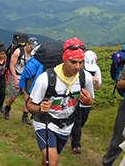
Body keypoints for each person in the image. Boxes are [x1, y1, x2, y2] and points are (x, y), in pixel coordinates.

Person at [27, 37, 94, 166]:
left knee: (48, 159)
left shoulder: (85, 77)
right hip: (45, 123)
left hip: (66, 126)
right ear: (64, 59)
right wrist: (40, 109)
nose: (77, 66)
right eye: (73, 62)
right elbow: (29, 105)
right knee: (52, 162)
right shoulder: (45, 79)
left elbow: (89, 100)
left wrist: (89, 101)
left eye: (80, 62)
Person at [70, 50, 102, 154]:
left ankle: (71, 132)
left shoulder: (96, 69)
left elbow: (98, 88)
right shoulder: (77, 69)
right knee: (78, 121)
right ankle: (76, 145)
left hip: (87, 100)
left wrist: (96, 81)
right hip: (77, 99)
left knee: (82, 121)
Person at [3, 37, 38, 125]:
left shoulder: (33, 54)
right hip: (16, 74)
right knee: (14, 96)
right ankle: (7, 108)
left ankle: (25, 116)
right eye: (31, 46)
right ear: (27, 44)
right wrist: (15, 79)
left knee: (27, 96)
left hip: (27, 76)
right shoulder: (18, 51)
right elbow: (12, 65)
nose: (32, 48)